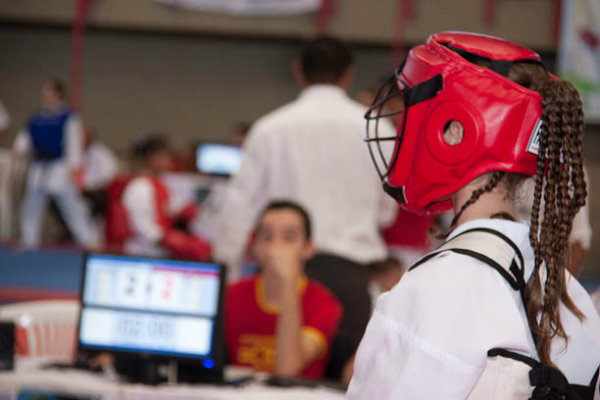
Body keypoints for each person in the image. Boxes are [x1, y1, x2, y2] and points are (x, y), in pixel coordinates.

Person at [347, 32, 600, 398]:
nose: (401, 131)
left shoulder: (433, 289)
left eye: (413, 116)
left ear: (454, 131)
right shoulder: (568, 296)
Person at [216, 37, 396, 378]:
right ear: (348, 75)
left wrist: (227, 273)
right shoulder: (376, 128)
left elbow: (238, 208)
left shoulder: (270, 128)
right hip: (350, 277)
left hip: (279, 269)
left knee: (271, 385)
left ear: (298, 72)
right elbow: (388, 211)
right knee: (344, 389)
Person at [224, 201, 342, 379]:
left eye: (289, 238)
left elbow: (287, 369)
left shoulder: (323, 303)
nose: (276, 245)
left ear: (308, 248)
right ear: (254, 246)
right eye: (267, 237)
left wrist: (288, 281)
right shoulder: (230, 295)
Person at [12, 78, 96, 250]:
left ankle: (88, 240)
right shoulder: (37, 117)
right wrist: (18, 149)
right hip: (39, 165)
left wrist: (74, 166)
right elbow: (26, 136)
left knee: (70, 205)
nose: (45, 96)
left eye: (48, 93)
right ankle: (29, 239)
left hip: (60, 166)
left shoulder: (68, 117)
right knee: (31, 204)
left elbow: (73, 143)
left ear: (58, 94)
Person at [120, 135, 211, 260]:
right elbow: (141, 226)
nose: (169, 161)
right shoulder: (139, 186)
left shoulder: (160, 184)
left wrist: (185, 210)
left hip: (159, 252)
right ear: (152, 158)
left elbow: (168, 205)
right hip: (142, 252)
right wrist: (168, 240)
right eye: (165, 156)